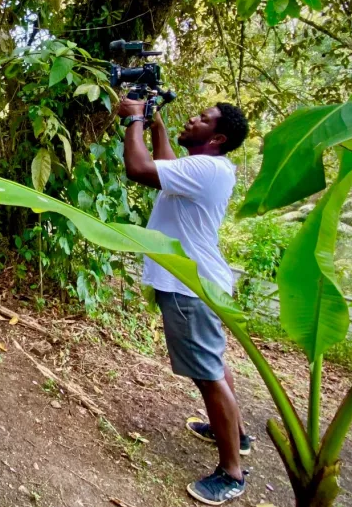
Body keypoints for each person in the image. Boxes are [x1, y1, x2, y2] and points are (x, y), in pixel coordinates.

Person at [119, 98, 251, 505]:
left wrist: (135, 119)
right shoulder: (206, 169)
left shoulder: (208, 168)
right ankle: (236, 434)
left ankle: (231, 472)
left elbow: (139, 169)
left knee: (208, 375)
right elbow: (167, 167)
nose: (194, 118)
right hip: (199, 284)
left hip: (189, 289)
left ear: (218, 138)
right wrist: (157, 125)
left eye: (204, 119)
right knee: (214, 365)